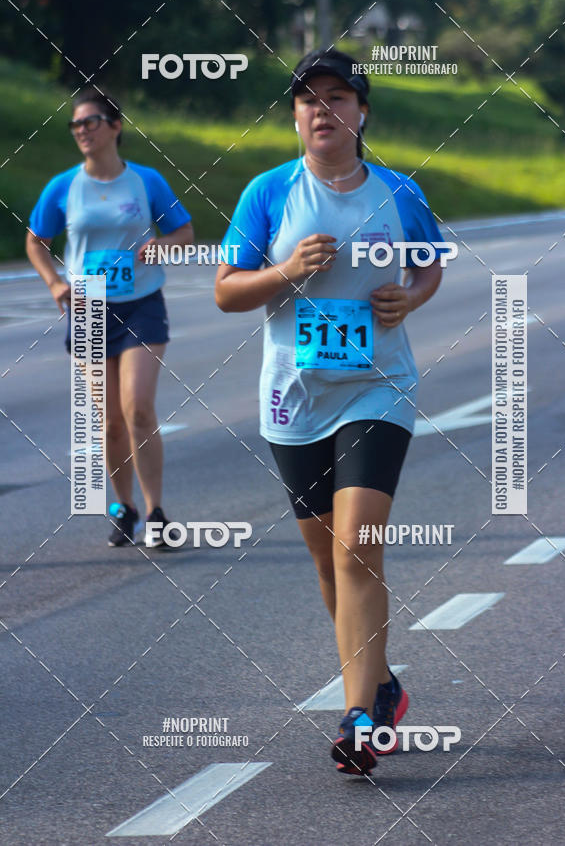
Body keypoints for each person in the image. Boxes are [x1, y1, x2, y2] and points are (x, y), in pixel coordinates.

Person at [215, 48, 444, 774]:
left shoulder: (399, 192)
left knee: (357, 547)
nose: (323, 110)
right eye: (309, 100)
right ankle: (380, 685)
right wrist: (285, 271)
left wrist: (409, 298)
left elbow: (430, 263)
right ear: (294, 117)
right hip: (295, 397)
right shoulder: (269, 193)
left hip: (379, 387)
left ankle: (356, 719)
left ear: (361, 113)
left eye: (337, 97)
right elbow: (225, 290)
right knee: (327, 559)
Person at [26, 88, 194, 549]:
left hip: (141, 303)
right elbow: (36, 241)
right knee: (110, 421)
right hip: (89, 306)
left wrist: (163, 245)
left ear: (115, 126)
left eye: (91, 122)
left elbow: (184, 230)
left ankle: (156, 511)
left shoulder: (146, 181)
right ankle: (125, 508)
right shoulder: (63, 187)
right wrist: (54, 282)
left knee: (138, 407)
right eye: (75, 124)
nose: (81, 130)